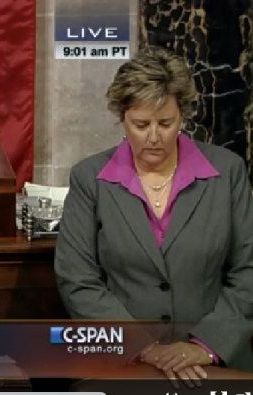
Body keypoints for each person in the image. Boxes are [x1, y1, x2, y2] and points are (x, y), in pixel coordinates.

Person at [54, 46, 253, 384]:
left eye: (166, 123)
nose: (154, 138)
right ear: (122, 117)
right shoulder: (90, 178)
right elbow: (78, 280)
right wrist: (144, 348)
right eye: (141, 124)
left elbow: (248, 269)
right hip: (118, 365)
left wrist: (205, 345)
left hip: (215, 363)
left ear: (183, 116)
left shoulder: (227, 172)